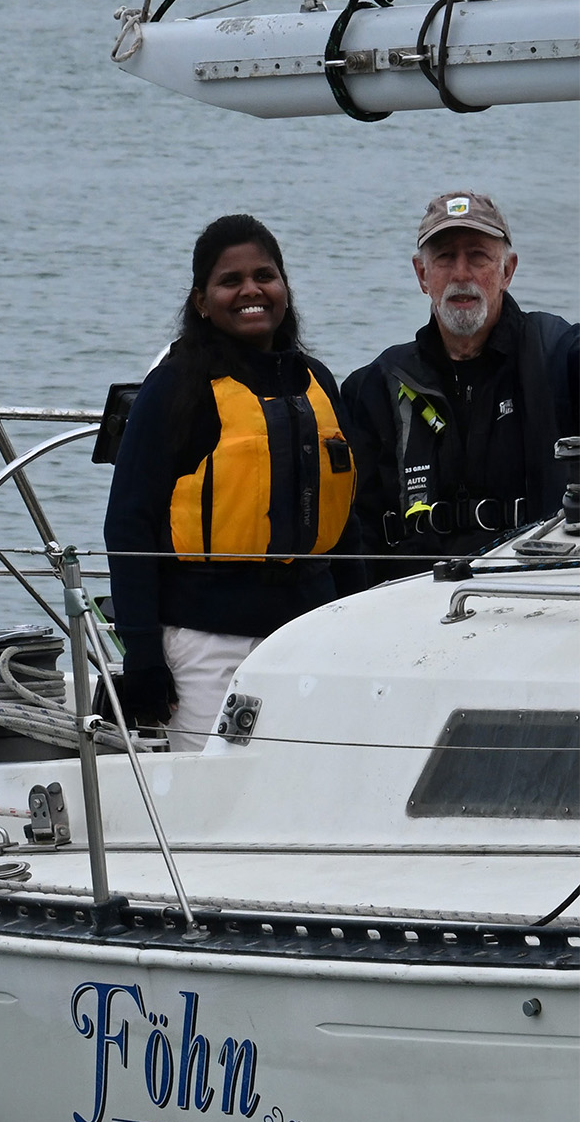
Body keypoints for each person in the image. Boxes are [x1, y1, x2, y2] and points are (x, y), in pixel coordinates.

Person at [104, 215, 364, 750]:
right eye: (230, 281)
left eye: (265, 275)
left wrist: (361, 624)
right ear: (202, 300)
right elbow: (129, 524)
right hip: (205, 642)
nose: (251, 290)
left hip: (309, 632)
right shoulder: (175, 389)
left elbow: (348, 523)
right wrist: (143, 655)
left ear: (284, 288)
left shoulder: (317, 382)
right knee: (212, 787)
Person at [343, 192, 579, 578]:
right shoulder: (374, 384)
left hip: (532, 588)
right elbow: (359, 529)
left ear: (507, 271)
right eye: (445, 258)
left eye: (478, 256)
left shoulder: (555, 352)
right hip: (408, 600)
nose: (461, 273)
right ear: (422, 275)